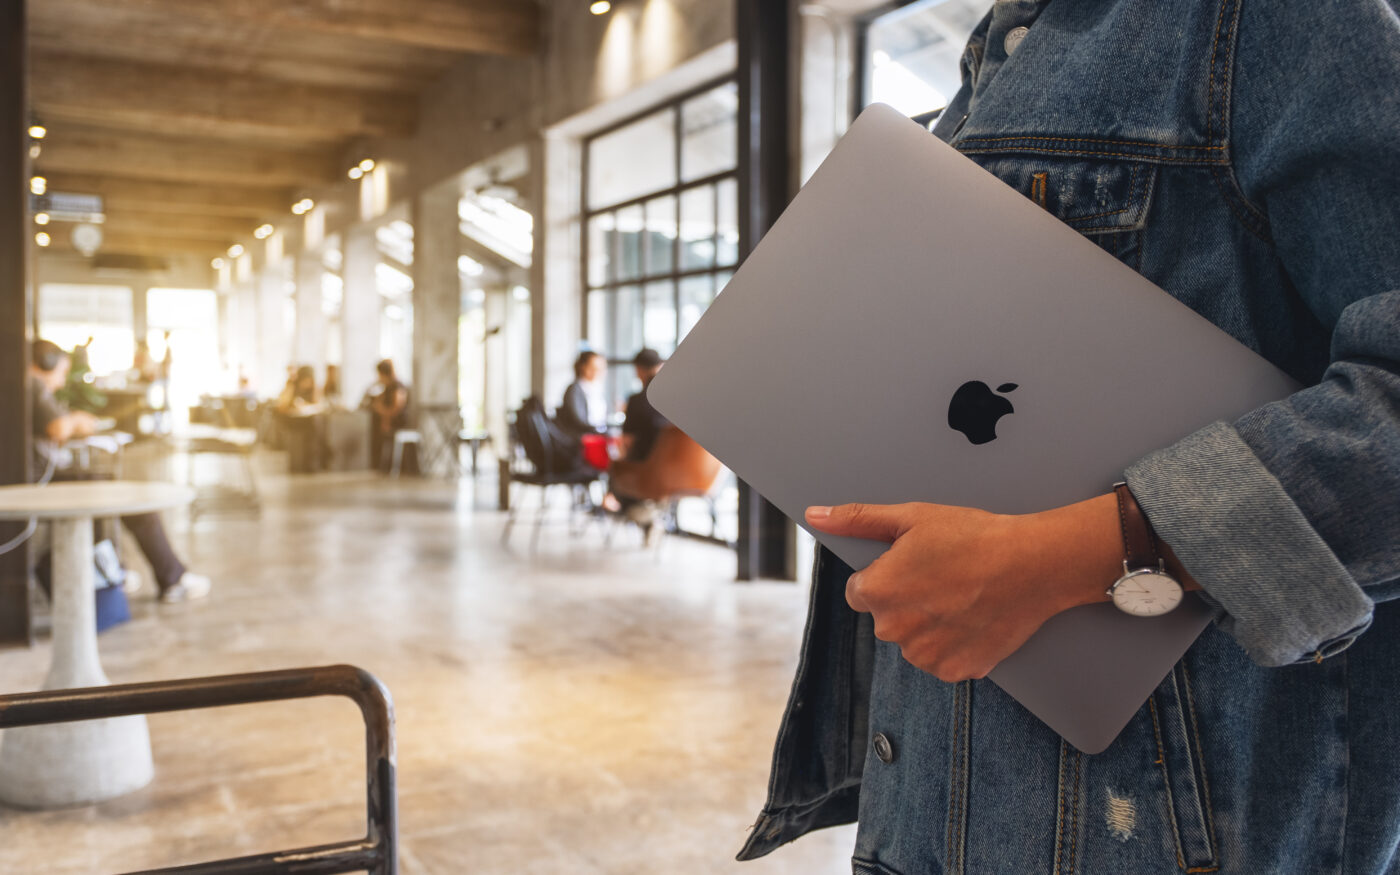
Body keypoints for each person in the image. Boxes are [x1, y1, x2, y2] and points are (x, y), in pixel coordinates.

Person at [739, 3, 1400, 874]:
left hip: (1167, 826)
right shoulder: (996, 60)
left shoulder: (1276, 22)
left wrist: (1078, 552)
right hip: (946, 798)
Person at [30, 340, 211, 604]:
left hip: (45, 474)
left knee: (110, 492)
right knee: (133, 498)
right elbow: (57, 428)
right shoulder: (33, 384)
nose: (61, 382)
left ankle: (117, 571)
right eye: (61, 373)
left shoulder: (26, 387)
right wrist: (76, 421)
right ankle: (172, 578)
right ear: (46, 364)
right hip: (43, 480)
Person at [605, 349, 672, 531]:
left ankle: (642, 515)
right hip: (679, 474)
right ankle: (649, 513)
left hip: (646, 472)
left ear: (638, 370)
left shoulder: (637, 401)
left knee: (617, 469)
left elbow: (626, 443)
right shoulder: (676, 400)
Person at [367, 359, 409, 472]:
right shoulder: (386, 387)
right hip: (386, 419)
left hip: (398, 422)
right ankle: (377, 465)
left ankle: (381, 465)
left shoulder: (398, 386)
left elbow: (396, 409)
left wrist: (384, 416)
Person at [555, 351, 608, 439]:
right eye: (595, 368)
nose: (600, 372)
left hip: (596, 435)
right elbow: (579, 421)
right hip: (580, 439)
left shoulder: (596, 389)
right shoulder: (574, 390)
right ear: (583, 367)